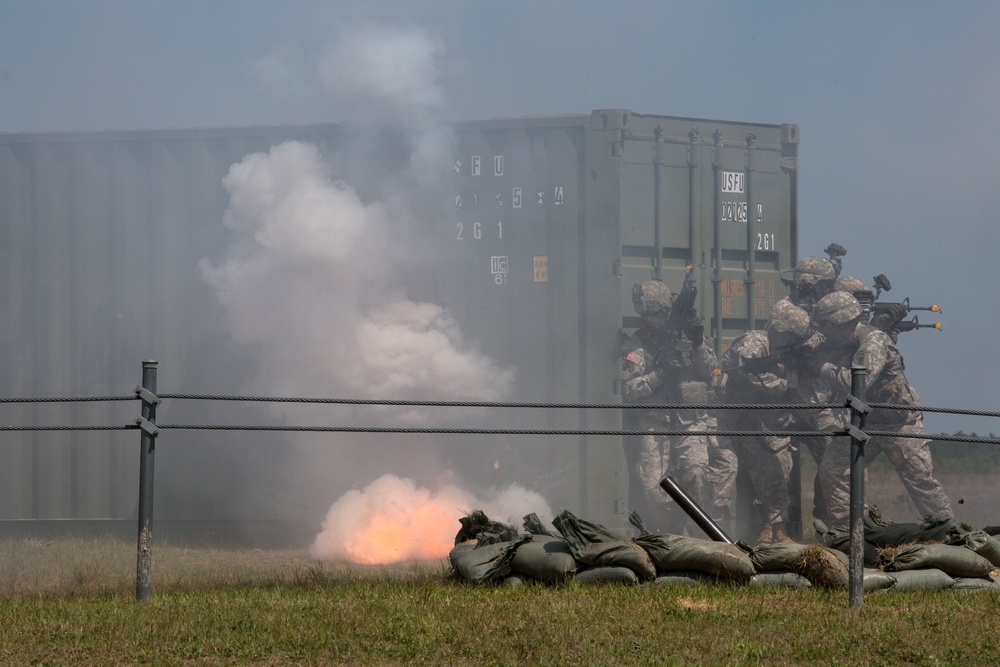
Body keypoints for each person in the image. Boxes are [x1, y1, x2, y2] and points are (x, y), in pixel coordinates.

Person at [809, 291, 954, 528]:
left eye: (826, 324)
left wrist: (823, 367)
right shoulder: (843, 342)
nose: (823, 331)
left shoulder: (873, 342)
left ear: (840, 321)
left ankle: (950, 533)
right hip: (867, 423)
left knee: (920, 482)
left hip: (900, 423)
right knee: (833, 469)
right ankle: (848, 531)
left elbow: (858, 382)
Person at [621, 279, 718, 534]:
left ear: (665, 311)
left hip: (690, 419)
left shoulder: (688, 335)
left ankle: (699, 536)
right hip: (654, 420)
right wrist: (660, 374)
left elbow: (711, 370)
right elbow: (630, 388)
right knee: (653, 486)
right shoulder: (636, 344)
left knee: (697, 476)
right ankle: (675, 538)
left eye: (652, 314)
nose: (647, 320)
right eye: (643, 315)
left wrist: (698, 343)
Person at [720, 300, 812, 543]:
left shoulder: (787, 351)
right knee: (746, 473)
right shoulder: (754, 344)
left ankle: (777, 529)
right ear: (782, 332)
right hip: (737, 423)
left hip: (766, 422)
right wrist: (786, 385)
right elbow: (749, 373)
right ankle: (759, 529)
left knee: (780, 469)